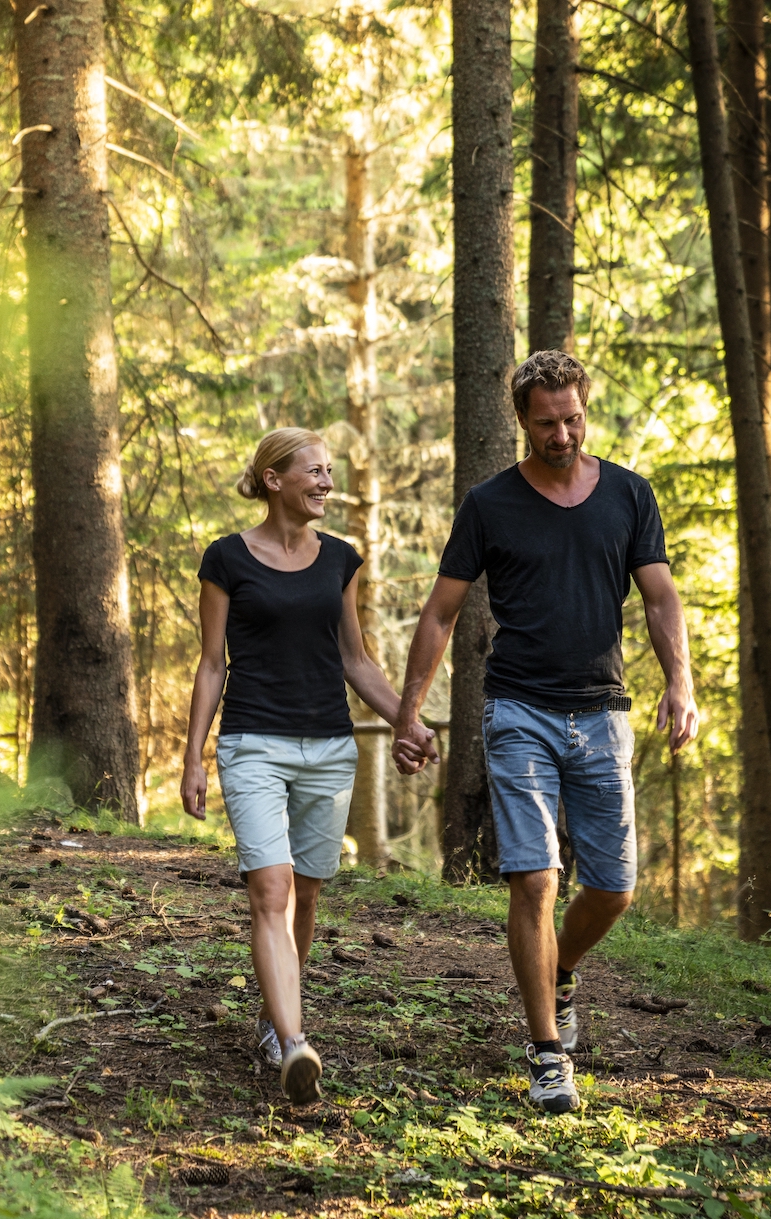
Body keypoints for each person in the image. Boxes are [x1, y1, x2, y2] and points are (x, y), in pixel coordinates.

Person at [390, 350, 700, 1114]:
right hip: (518, 708)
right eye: (546, 422)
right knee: (534, 877)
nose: (561, 433)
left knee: (614, 888)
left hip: (604, 712)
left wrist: (680, 683)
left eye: (572, 418)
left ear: (584, 410)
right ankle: (548, 1053)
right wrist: (410, 710)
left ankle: (558, 970)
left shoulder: (629, 494)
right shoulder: (490, 504)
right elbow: (440, 612)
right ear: (522, 421)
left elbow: (661, 599)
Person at [180, 427, 431, 1105]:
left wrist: (406, 719)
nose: (325, 482)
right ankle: (294, 1043)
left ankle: (271, 1016)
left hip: (328, 745)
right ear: (273, 480)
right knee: (272, 887)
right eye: (314, 471)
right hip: (253, 742)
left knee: (308, 893)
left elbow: (355, 661)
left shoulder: (340, 561)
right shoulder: (226, 559)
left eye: (329, 472)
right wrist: (194, 756)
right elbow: (211, 665)